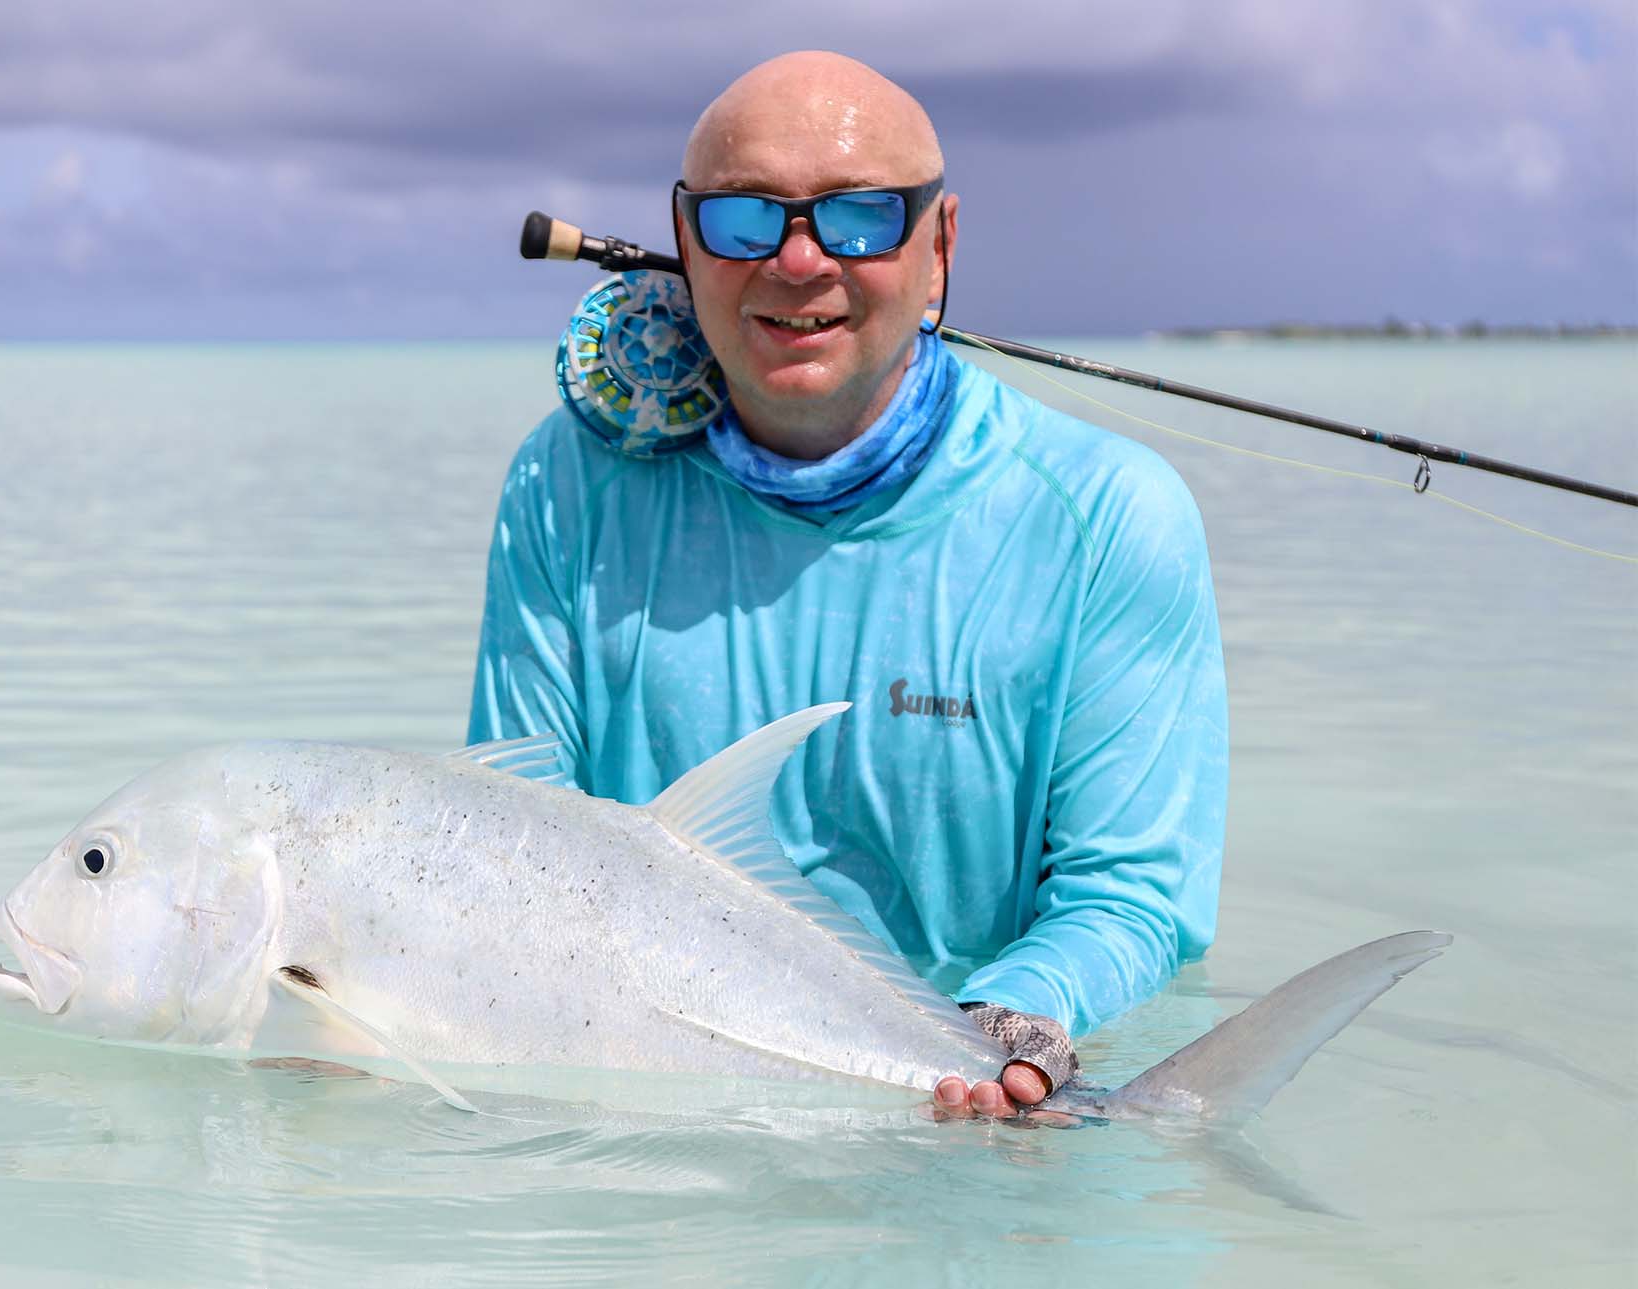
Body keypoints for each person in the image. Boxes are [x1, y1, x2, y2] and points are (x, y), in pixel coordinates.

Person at [469, 51, 1227, 1117]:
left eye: (860, 217)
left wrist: (1003, 1027)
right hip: (652, 1110)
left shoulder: (1109, 515)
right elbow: (511, 841)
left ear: (940, 247)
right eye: (743, 220)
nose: (797, 260)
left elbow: (1133, 895)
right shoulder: (566, 485)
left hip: (968, 1132)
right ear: (683, 241)